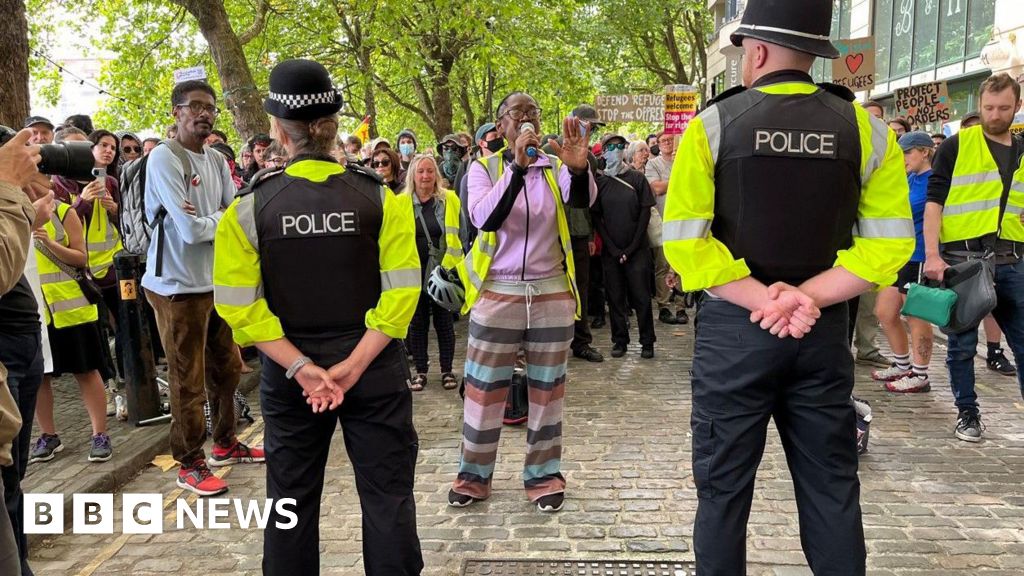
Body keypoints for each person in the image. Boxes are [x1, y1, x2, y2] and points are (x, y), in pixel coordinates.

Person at [662, 1, 914, 572]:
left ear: (756, 51)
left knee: (723, 494)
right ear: (814, 53)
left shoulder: (713, 125)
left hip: (734, 334)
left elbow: (684, 243)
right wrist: (808, 298)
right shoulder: (867, 130)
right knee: (831, 489)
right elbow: (889, 247)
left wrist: (765, 300)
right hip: (821, 333)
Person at [213, 58, 423, 576]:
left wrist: (302, 368)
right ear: (332, 126)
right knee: (388, 496)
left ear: (279, 132)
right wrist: (354, 365)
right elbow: (402, 293)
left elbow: (238, 304)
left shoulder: (248, 207)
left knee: (288, 502)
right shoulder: (380, 198)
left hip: (290, 376)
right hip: (373, 368)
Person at [448, 91, 597, 513]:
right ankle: (473, 476)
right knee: (483, 392)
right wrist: (516, 167)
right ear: (501, 126)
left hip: (551, 293)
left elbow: (582, 202)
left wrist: (579, 167)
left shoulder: (555, 167)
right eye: (518, 113)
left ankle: (543, 476)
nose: (527, 118)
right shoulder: (483, 168)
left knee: (547, 393)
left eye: (533, 112)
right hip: (499, 293)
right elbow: (484, 218)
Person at [143, 79, 264, 496]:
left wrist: (210, 216)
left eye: (210, 107)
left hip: (215, 282)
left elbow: (238, 212)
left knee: (226, 369)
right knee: (186, 379)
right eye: (194, 106)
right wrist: (218, 217)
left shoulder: (214, 159)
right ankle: (189, 461)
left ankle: (226, 443)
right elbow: (191, 232)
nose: (204, 113)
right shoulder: (164, 157)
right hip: (176, 287)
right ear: (176, 112)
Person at [923, 72, 1024, 443]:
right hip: (963, 260)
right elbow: (934, 202)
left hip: (1013, 259)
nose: (995, 115)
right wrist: (932, 255)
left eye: (1003, 108)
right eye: (989, 107)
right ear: (979, 105)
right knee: (962, 344)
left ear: (1017, 106)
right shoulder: (957, 145)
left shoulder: (1023, 149)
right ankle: (967, 413)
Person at [0, 128, 53, 576]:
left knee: (13, 475)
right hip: (7, 349)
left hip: (23, 336)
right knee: (6, 477)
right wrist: (9, 191)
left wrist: (24, 206)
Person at [872, 132, 935, 393]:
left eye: (907, 153)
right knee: (884, 312)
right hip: (899, 256)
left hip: (919, 256)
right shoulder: (908, 178)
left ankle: (920, 374)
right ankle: (902, 364)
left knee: (916, 315)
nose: (903, 158)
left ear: (925, 152)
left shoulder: (934, 180)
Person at [591, 134, 656, 358]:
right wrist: (613, 248)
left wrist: (632, 247)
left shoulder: (637, 179)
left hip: (637, 249)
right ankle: (620, 340)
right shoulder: (600, 183)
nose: (616, 150)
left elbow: (645, 212)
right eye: (611, 147)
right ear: (604, 152)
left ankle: (647, 341)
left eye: (620, 146)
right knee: (615, 298)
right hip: (611, 251)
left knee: (641, 297)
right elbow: (597, 218)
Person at [404, 155, 463, 391]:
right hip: (414, 271)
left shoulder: (449, 200)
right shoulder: (401, 203)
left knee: (444, 323)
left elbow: (461, 234)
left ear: (436, 174)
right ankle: (420, 371)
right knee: (417, 324)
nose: (425, 176)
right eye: (421, 171)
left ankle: (447, 370)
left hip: (443, 273)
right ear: (413, 175)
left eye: (430, 171)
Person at [646, 130, 686, 325]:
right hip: (663, 221)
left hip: (683, 220)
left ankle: (681, 306)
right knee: (662, 265)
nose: (668, 143)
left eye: (671, 139)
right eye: (664, 140)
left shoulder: (683, 160)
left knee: (681, 265)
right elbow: (657, 188)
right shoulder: (653, 164)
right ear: (658, 144)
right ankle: (663, 306)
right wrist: (680, 180)